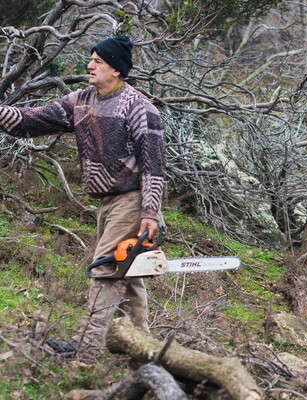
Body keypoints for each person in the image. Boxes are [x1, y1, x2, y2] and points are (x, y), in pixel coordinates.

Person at [0, 36, 165, 356]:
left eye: (98, 62)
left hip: (132, 199)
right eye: (91, 59)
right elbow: (29, 122)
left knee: (105, 268)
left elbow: (154, 166)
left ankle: (86, 351)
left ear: (116, 70)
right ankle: (147, 349)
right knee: (127, 272)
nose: (89, 65)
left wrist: (149, 212)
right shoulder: (82, 101)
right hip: (106, 202)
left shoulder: (140, 108)